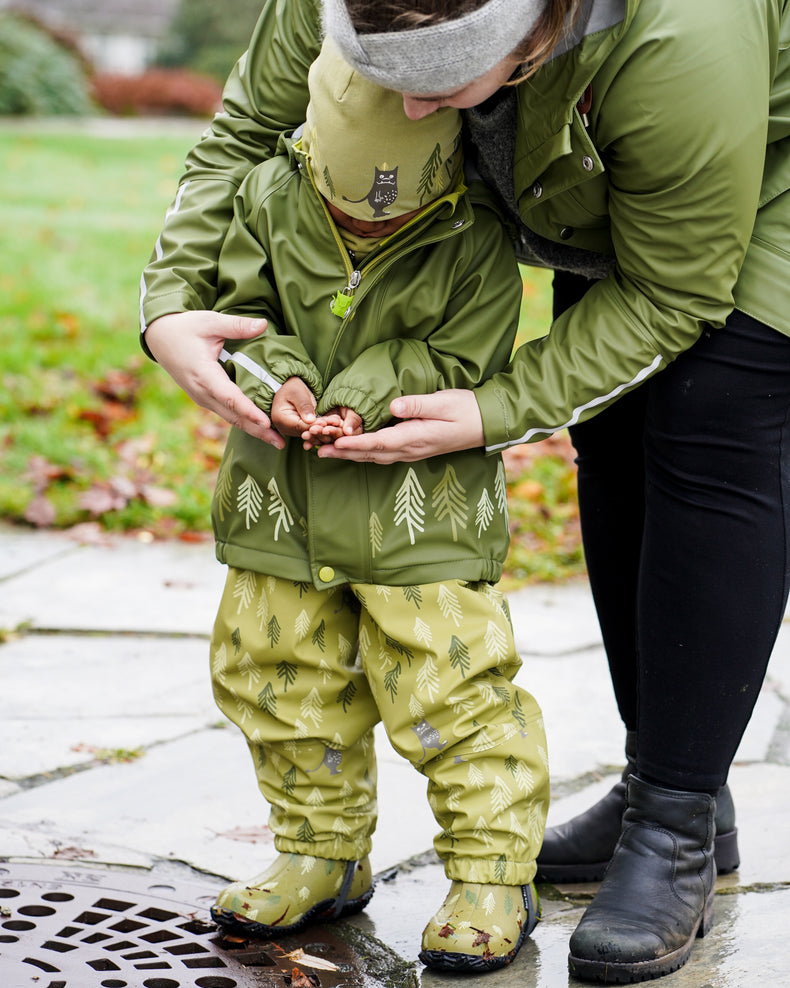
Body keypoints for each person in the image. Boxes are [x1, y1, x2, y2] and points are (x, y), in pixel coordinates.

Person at [138, 0, 790, 982]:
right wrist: (174, 304)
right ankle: (666, 784)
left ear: (534, 35)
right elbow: (245, 134)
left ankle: (674, 821)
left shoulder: (680, 34)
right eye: (375, 66)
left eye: (436, 86)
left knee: (705, 416)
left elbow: (672, 290)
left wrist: (494, 408)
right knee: (610, 431)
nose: (402, 106)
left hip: (753, 168)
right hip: (612, 166)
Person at [198, 36, 550, 973]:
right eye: (347, 217)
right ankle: (319, 851)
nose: (365, 233)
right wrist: (277, 378)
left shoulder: (473, 232)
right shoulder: (270, 196)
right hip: (283, 504)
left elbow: (471, 361)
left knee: (452, 689)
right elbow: (238, 312)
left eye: (387, 221)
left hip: (418, 517)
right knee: (277, 674)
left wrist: (369, 387)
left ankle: (489, 872)